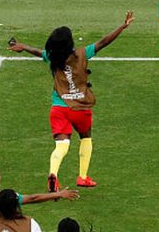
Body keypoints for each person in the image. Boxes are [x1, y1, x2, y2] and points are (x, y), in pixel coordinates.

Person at [9, 11, 135, 191]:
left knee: (62, 144)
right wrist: (123, 26)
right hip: (80, 107)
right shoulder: (82, 54)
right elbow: (103, 42)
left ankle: (53, 174)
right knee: (86, 137)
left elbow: (38, 52)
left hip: (59, 107)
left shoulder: (52, 57)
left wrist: (23, 46)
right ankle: (83, 177)